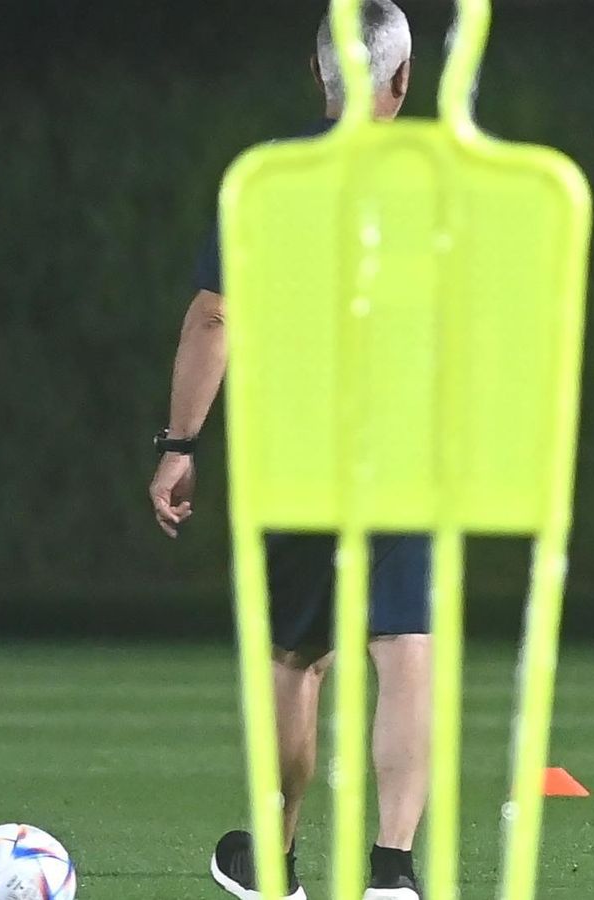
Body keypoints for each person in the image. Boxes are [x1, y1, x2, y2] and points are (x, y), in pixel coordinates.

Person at [147, 4, 427, 898]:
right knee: (405, 641)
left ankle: (276, 860)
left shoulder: (266, 183)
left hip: (300, 447)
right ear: (402, 80)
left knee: (295, 657)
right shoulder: (441, 182)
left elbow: (215, 316)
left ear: (320, 77)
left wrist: (179, 444)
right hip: (407, 442)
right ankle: (392, 871)